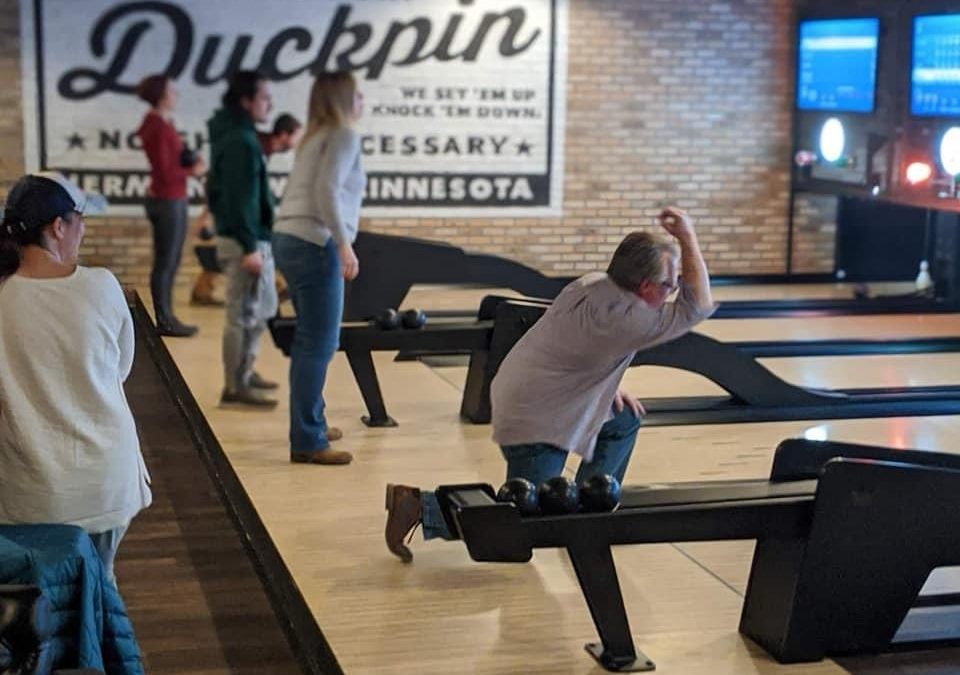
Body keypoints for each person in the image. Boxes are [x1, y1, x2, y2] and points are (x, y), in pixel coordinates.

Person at [383, 207, 715, 562]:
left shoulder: (593, 284)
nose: (675, 288)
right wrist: (687, 234)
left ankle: (592, 511)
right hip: (538, 414)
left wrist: (602, 384)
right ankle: (421, 506)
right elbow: (698, 304)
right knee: (528, 514)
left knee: (622, 421)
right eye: (671, 283)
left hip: (532, 391)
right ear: (646, 287)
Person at [0, 172, 152, 583]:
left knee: (36, 608)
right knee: (97, 593)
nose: (84, 230)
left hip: (26, 493)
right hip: (102, 485)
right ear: (58, 227)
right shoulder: (101, 286)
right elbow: (120, 369)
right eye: (80, 219)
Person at [273, 71, 365, 465]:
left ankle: (312, 422)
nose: (362, 101)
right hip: (315, 241)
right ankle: (308, 439)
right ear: (344, 99)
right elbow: (327, 190)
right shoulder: (343, 135)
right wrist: (344, 244)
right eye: (357, 95)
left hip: (288, 238)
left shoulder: (313, 138)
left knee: (309, 341)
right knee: (319, 344)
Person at [206, 70, 279, 408]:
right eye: (264, 97)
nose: (270, 104)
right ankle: (234, 386)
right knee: (241, 314)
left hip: (244, 238)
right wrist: (250, 246)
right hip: (243, 242)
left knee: (256, 311)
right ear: (246, 101)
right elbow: (238, 199)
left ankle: (244, 374)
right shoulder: (241, 141)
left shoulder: (238, 135)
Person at [190, 113, 303, 307]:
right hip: (231, 203)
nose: (299, 141)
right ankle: (275, 285)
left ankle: (202, 290)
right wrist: (206, 214)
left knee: (230, 246)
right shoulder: (258, 146)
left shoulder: (263, 147)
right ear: (284, 134)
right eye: (297, 136)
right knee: (250, 244)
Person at [136, 74, 206, 337]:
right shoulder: (158, 127)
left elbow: (168, 164)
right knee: (167, 260)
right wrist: (194, 171)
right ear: (162, 95)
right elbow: (166, 172)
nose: (176, 95)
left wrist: (187, 162)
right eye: (172, 91)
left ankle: (167, 316)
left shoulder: (160, 123)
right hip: (167, 198)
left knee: (169, 259)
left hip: (168, 196)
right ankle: (165, 320)